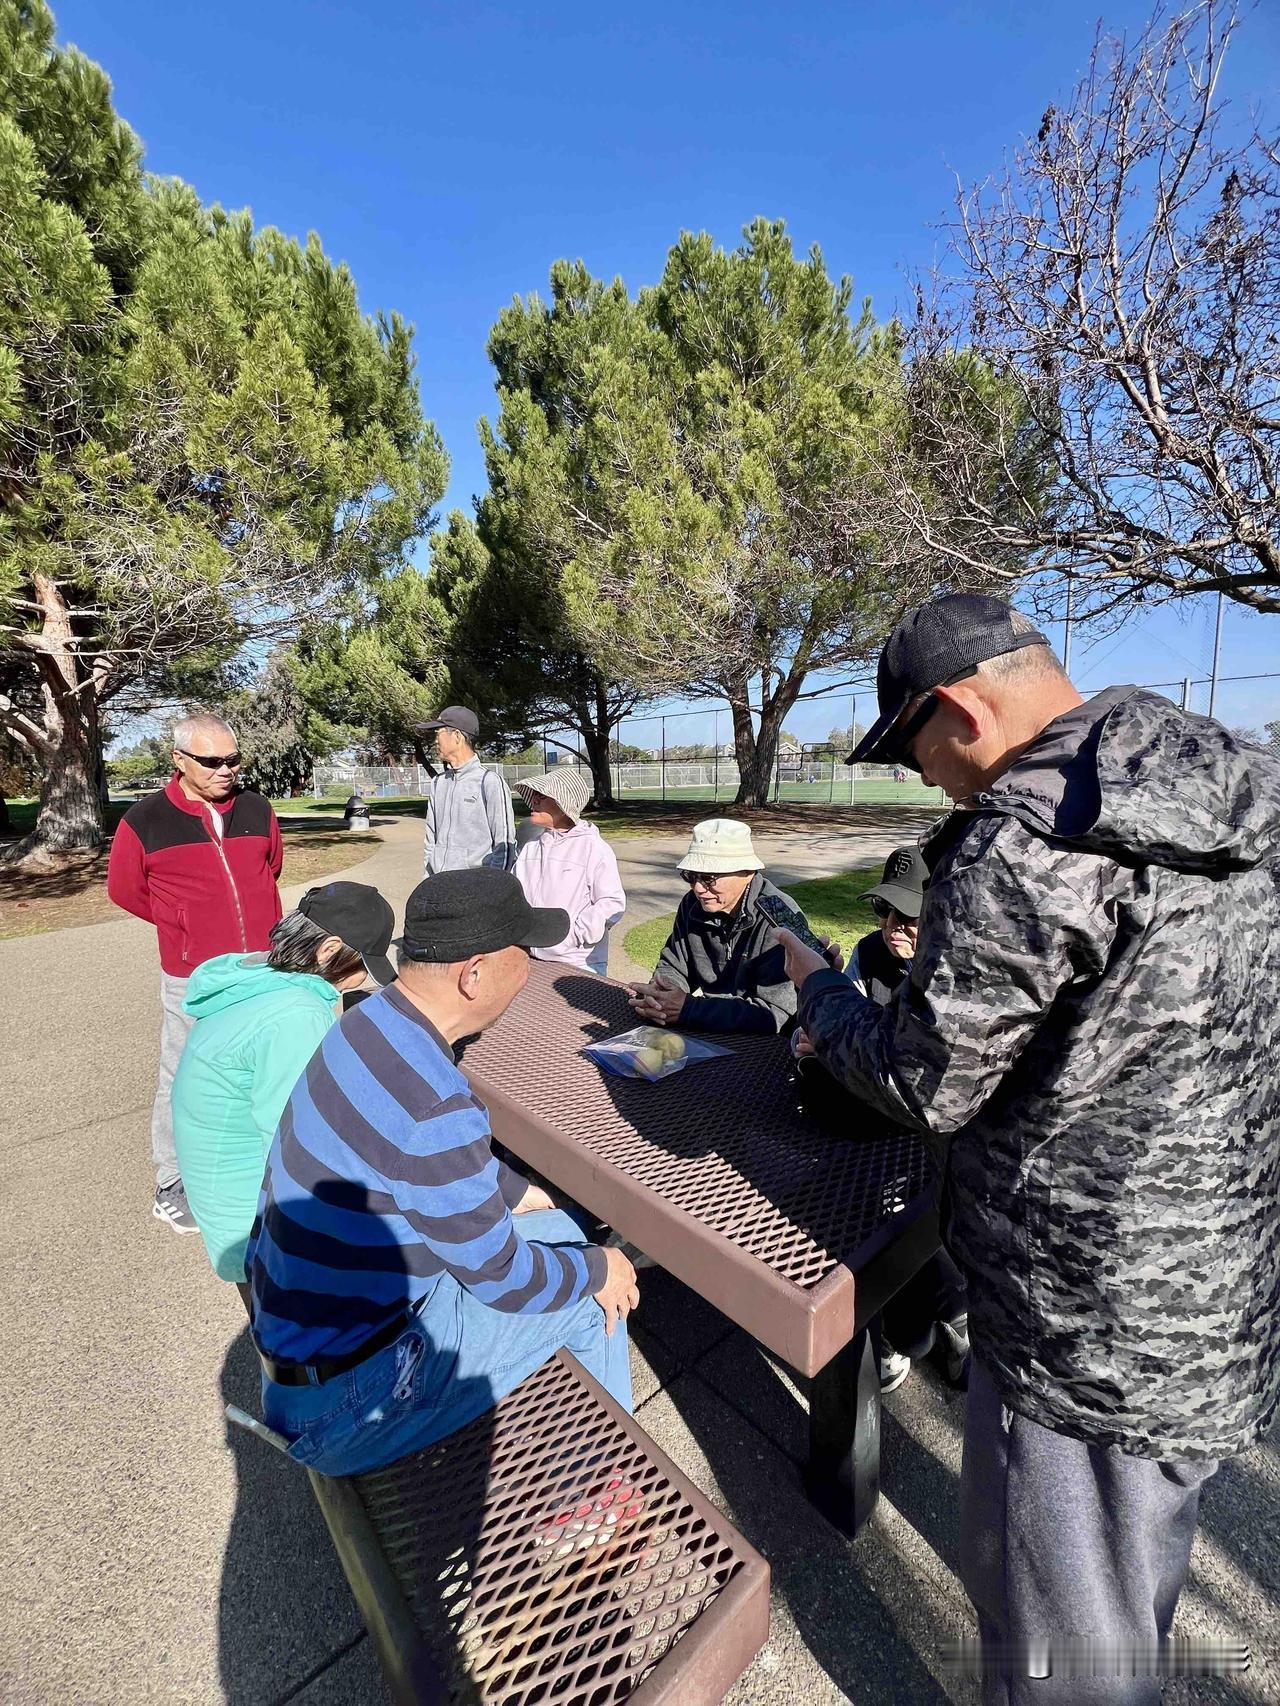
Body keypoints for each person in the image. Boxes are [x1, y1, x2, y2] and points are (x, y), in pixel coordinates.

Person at [776, 593, 1280, 1706]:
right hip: (1215, 1301)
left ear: (956, 706)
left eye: (911, 748)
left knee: (1059, 1645)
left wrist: (820, 997)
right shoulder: (1236, 783)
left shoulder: (1027, 833)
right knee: (1126, 1590)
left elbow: (926, 1078)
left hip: (1080, 1328)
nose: (920, 779)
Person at [245, 869, 639, 1476]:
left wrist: (518, 1194)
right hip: (348, 1404)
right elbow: (502, 1278)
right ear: (473, 972)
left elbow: (414, 1164)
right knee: (595, 1295)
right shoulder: (436, 1101)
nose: (532, 968)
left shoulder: (367, 1025)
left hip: (307, 1356)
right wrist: (600, 1268)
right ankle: (590, 1502)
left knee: (560, 1230)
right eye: (525, 953)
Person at [794, 845, 969, 1394]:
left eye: (908, 916)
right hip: (872, 1112)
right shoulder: (870, 953)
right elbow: (843, 1006)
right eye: (885, 912)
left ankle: (950, 1318)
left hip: (934, 1124)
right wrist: (817, 1035)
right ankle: (915, 1325)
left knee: (925, 1218)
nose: (893, 926)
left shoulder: (950, 969)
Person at [106, 714, 283, 1234]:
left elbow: (270, 868)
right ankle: (172, 1183)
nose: (226, 769)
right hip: (194, 972)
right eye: (211, 761)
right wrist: (182, 925)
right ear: (179, 760)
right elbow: (125, 890)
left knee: (260, 1065)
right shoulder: (145, 820)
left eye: (233, 759)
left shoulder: (256, 808)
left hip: (262, 964)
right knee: (181, 1070)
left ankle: (258, 1161)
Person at [171, 882, 396, 1291]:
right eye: (363, 964)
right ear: (329, 951)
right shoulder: (297, 1013)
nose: (364, 980)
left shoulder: (255, 979)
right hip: (256, 1223)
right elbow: (298, 1137)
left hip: (220, 1194)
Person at [625, 818, 810, 1035]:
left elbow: (775, 1014)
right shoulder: (692, 905)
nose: (698, 888)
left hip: (770, 1046)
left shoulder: (780, 918)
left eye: (709, 878)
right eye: (690, 876)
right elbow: (674, 965)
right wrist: (659, 997)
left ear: (747, 873)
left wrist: (689, 1009)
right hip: (711, 1028)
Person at [512, 770, 625, 975]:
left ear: (563, 804)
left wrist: (572, 936)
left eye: (542, 796)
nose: (533, 801)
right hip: (529, 958)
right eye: (533, 794)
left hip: (579, 963)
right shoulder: (531, 847)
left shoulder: (594, 848)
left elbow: (612, 904)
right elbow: (514, 896)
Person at [416, 705, 516, 875]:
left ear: (457, 736)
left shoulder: (489, 782)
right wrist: (428, 880)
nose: (435, 741)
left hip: (476, 889)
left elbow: (505, 845)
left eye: (437, 734)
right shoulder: (438, 783)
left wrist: (493, 889)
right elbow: (430, 841)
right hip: (439, 885)